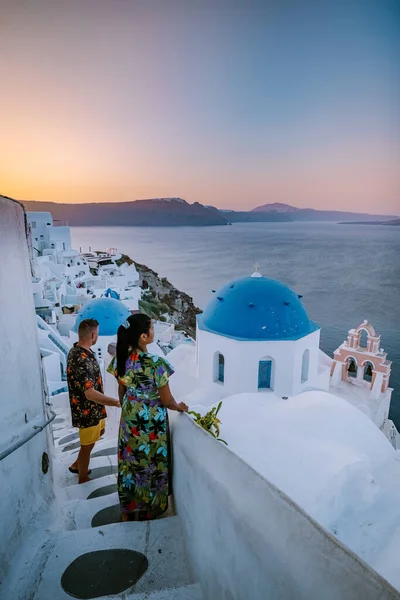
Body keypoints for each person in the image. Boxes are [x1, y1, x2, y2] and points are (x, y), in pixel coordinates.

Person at [107, 313, 188, 521]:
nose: (153, 331)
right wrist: (181, 407)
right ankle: (149, 509)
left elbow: (122, 391)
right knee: (150, 462)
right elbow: (167, 400)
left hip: (129, 419)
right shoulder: (156, 363)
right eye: (151, 328)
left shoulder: (120, 360)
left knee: (130, 462)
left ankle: (128, 510)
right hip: (151, 423)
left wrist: (127, 412)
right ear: (143, 337)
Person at [67, 318, 120, 483]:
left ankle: (77, 464)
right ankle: (82, 476)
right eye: (96, 333)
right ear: (93, 335)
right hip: (86, 410)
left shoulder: (79, 350)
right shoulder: (81, 359)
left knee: (97, 435)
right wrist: (115, 402)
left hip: (94, 409)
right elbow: (89, 393)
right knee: (86, 445)